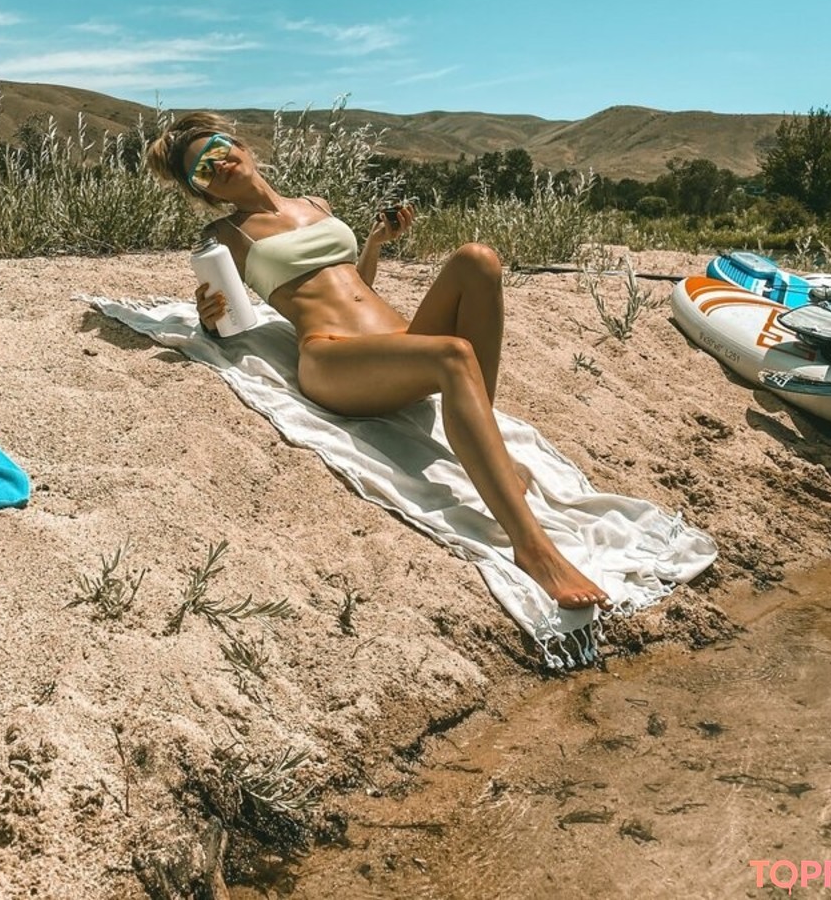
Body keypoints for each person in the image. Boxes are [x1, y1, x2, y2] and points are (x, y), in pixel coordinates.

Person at [146, 112, 610, 612]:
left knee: (478, 258)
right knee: (454, 353)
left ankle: (489, 450)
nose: (218, 166)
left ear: (241, 146)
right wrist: (208, 317)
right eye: (202, 171)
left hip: (396, 341)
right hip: (331, 357)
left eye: (218, 150)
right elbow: (227, 323)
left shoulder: (315, 204)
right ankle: (533, 548)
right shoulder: (225, 235)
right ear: (202, 190)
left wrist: (374, 245)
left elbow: (355, 285)